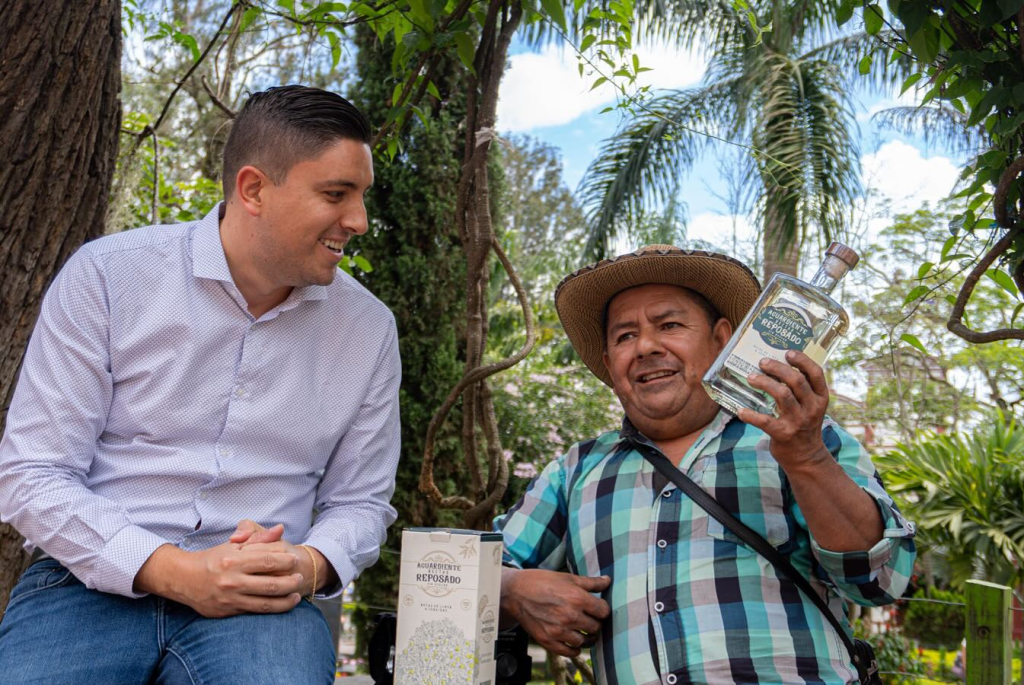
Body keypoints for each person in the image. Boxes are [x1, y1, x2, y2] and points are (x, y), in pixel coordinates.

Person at [0, 85, 401, 684]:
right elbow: (33, 473)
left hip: (261, 603)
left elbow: (360, 503)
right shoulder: (108, 277)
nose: (359, 221)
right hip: (87, 581)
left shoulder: (368, 330)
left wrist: (307, 563)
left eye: (361, 197)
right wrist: (171, 570)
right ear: (254, 189)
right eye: (336, 195)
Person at [495, 245, 916, 684]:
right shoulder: (575, 471)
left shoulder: (799, 435)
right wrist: (513, 591)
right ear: (609, 364)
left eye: (669, 325)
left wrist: (808, 459)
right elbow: (472, 575)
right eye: (624, 336)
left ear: (723, 339)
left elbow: (880, 582)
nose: (645, 347)